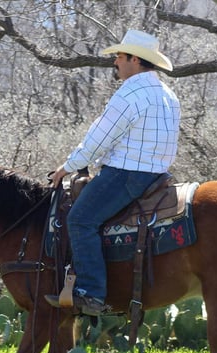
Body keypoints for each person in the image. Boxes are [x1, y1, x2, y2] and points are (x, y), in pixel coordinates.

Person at [45, 29, 181, 316]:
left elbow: (98, 139)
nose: (115, 61)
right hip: (159, 177)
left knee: (80, 220)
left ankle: (91, 293)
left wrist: (67, 167)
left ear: (135, 59)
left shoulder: (130, 94)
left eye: (120, 56)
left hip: (126, 175)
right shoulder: (168, 94)